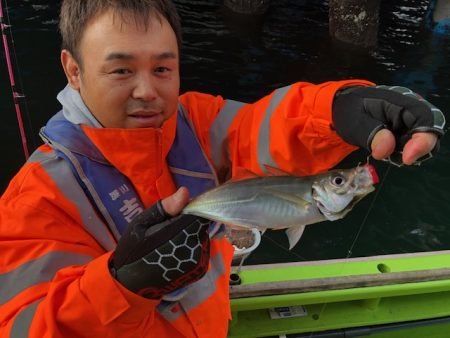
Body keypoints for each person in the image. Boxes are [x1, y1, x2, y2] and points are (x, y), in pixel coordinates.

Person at [0, 0, 445, 337]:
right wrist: (122, 284)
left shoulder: (195, 120)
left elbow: (264, 130)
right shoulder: (36, 198)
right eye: (120, 70)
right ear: (73, 70)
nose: (147, 92)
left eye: (162, 68)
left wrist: (338, 110)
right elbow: (21, 325)